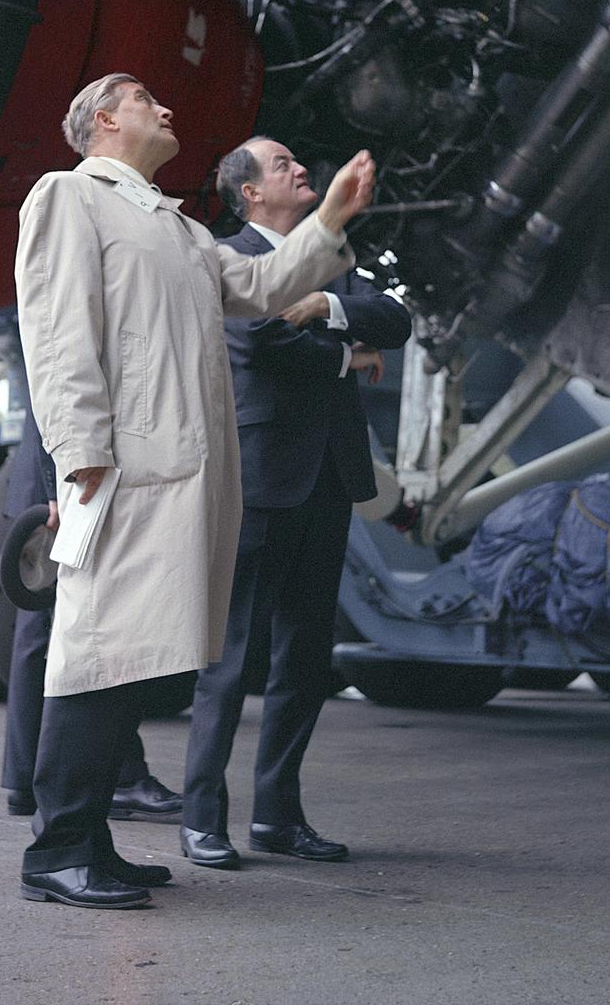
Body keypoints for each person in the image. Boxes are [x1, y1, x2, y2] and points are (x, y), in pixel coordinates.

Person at [14, 73, 375, 910]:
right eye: (145, 98)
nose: (166, 106)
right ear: (104, 120)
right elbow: (57, 334)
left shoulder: (171, 224)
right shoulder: (69, 196)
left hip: (167, 472)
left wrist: (328, 221)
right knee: (94, 652)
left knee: (128, 658)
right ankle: (57, 850)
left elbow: (256, 289)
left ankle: (92, 842)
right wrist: (78, 454)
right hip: (118, 467)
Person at [180, 138, 411, 869]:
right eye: (280, 165)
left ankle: (277, 817)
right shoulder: (228, 258)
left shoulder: (332, 251)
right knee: (230, 656)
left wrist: (329, 307)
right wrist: (349, 354)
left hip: (327, 478)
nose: (298, 168)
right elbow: (258, 343)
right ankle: (201, 818)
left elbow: (396, 319)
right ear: (248, 193)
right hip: (261, 475)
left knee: (305, 660)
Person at [0, 391, 183, 823]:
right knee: (85, 631)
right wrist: (57, 487)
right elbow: (60, 387)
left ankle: (26, 781)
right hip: (66, 487)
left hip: (56, 480)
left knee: (42, 637)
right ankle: (120, 776)